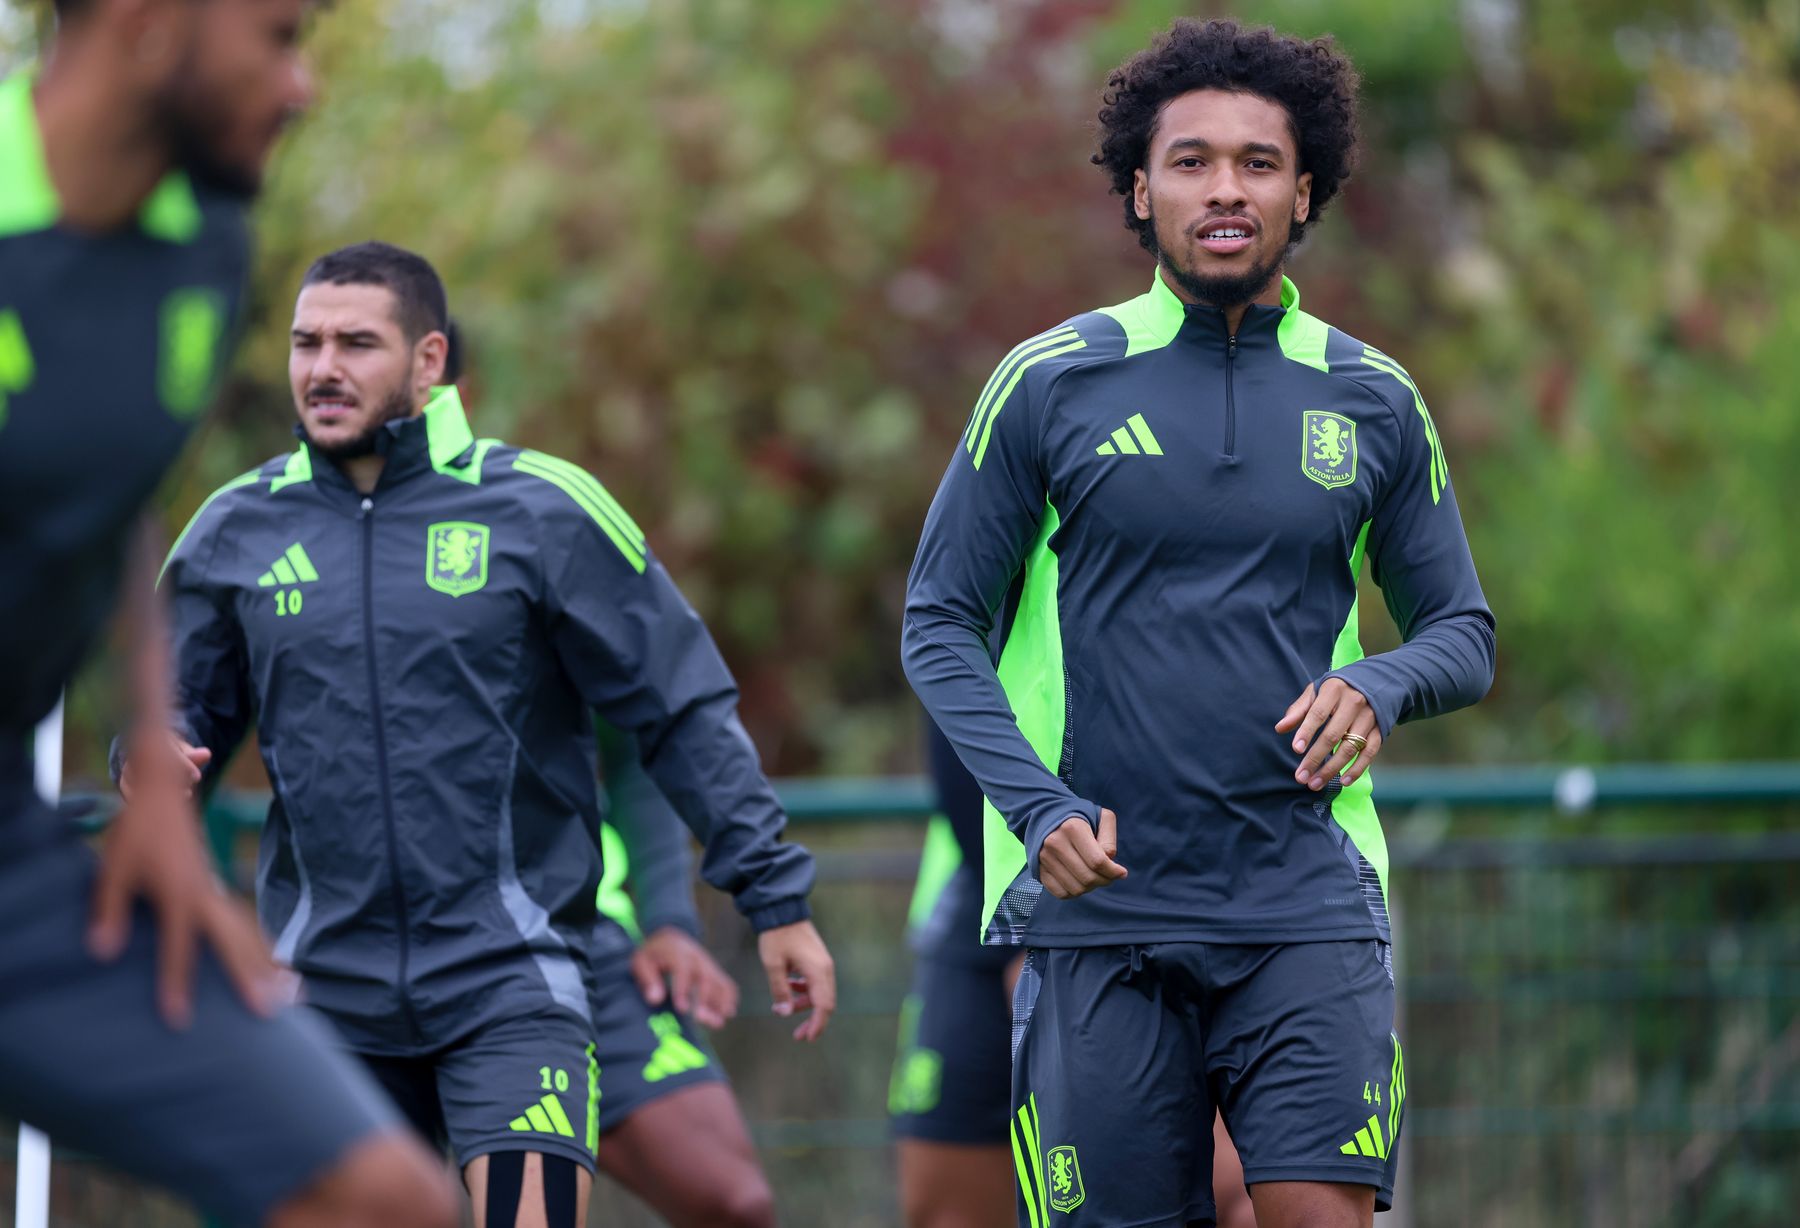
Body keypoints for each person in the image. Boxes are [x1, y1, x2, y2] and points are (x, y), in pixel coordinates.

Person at [902, 18, 1495, 1228]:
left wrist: (1380, 685)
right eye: (1191, 160)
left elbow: (1464, 631)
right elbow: (937, 623)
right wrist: (1037, 806)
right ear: (1139, 186)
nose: (1226, 188)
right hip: (1100, 916)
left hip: (1306, 906)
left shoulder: (1374, 399)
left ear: (1305, 186)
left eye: (1258, 162)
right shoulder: (1048, 382)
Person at [143, 240, 834, 1228]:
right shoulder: (232, 529)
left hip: (512, 984)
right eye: (305, 343)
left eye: (355, 343)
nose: (322, 368)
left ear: (428, 360)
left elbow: (679, 707)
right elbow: (168, 709)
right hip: (323, 995)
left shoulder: (543, 508)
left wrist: (776, 901)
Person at [0, 5, 457, 1225]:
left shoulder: (200, 246)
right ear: (148, 25)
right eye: (275, 33)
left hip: (19, 865)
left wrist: (153, 763)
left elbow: (116, 498)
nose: (301, 83)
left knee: (388, 1202)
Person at [890, 720, 1255, 1228]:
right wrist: (1025, 932)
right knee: (949, 1211)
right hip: (980, 901)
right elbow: (945, 684)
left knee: (1231, 1196)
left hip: (1166, 892)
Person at [587, 721, 778, 1228]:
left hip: (586, 936)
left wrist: (669, 920)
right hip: (381, 950)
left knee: (735, 1202)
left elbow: (635, 744)